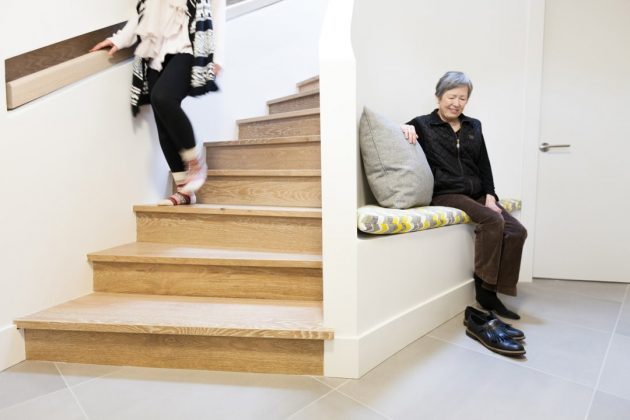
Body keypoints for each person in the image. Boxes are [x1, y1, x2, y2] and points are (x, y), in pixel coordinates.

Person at [401, 71, 527, 320]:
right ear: (439, 97)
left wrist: (490, 194)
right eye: (451, 97)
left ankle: (498, 287)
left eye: (462, 98)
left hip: (477, 192)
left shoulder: (473, 125)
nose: (456, 103)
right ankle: (486, 293)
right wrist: (403, 127)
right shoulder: (423, 124)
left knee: (517, 231)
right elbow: (397, 131)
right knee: (492, 220)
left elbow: (484, 163)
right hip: (446, 192)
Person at [91, 0, 226, 205]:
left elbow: (217, 9)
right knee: (161, 118)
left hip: (188, 44)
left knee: (163, 97)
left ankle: (195, 163)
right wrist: (118, 40)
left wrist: (217, 58)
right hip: (156, 49)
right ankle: (184, 191)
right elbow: (144, 12)